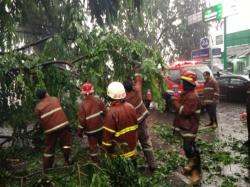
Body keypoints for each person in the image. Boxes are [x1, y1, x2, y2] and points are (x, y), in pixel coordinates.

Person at [165, 71, 202, 185]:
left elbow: (184, 111)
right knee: (191, 148)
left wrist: (172, 100)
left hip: (190, 127)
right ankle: (194, 167)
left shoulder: (192, 96)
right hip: (187, 126)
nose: (183, 83)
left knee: (188, 149)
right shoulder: (187, 93)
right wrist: (171, 98)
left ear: (190, 83)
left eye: (185, 82)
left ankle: (196, 172)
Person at [123, 68, 157, 172]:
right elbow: (139, 79)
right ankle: (152, 165)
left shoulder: (124, 99)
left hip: (133, 126)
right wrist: (136, 68)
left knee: (132, 146)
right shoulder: (137, 91)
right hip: (142, 122)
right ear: (132, 86)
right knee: (146, 142)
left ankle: (132, 168)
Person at [35, 89, 72, 170]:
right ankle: (67, 160)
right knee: (66, 144)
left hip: (50, 130)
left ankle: (47, 169)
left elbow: (41, 121)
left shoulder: (38, 107)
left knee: (49, 148)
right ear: (46, 94)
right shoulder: (54, 99)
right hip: (63, 125)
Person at [102, 82, 138, 164]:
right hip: (132, 151)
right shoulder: (131, 107)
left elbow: (107, 139)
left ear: (109, 96)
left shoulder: (111, 113)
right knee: (133, 173)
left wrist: (106, 152)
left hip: (120, 157)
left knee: (121, 176)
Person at [77, 82, 106, 162]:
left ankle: (96, 165)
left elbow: (82, 121)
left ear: (83, 93)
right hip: (101, 128)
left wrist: (79, 132)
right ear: (92, 91)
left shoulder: (82, 105)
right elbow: (105, 113)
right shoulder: (98, 100)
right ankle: (107, 162)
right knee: (103, 145)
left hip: (91, 131)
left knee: (93, 148)